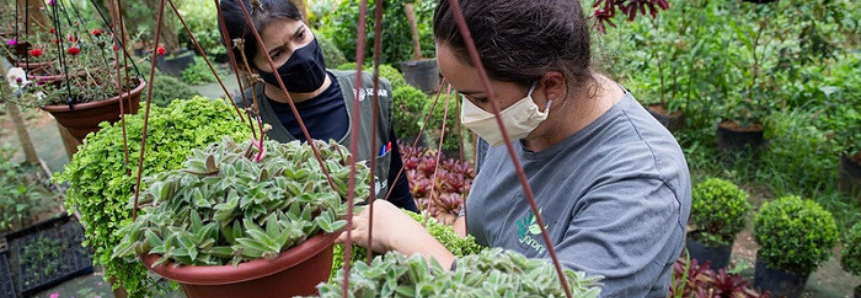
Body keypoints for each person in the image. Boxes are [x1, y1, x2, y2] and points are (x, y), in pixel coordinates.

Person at [341, 0, 692, 297]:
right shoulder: (521, 115)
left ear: (550, 84)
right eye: (461, 94)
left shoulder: (644, 179)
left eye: (479, 98)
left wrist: (418, 247)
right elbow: (484, 221)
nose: (469, 115)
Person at [219, 0, 417, 212]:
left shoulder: (368, 90)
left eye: (300, 35)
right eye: (277, 54)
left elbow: (398, 191)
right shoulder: (240, 119)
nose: (300, 55)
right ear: (247, 67)